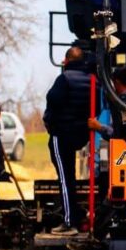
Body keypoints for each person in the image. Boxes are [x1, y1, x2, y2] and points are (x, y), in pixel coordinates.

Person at [43, 47, 93, 235]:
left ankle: (68, 222)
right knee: (69, 177)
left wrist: (49, 121)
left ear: (67, 60)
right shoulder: (91, 80)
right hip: (81, 133)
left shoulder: (64, 79)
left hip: (61, 133)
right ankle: (77, 215)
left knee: (65, 179)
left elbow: (53, 100)